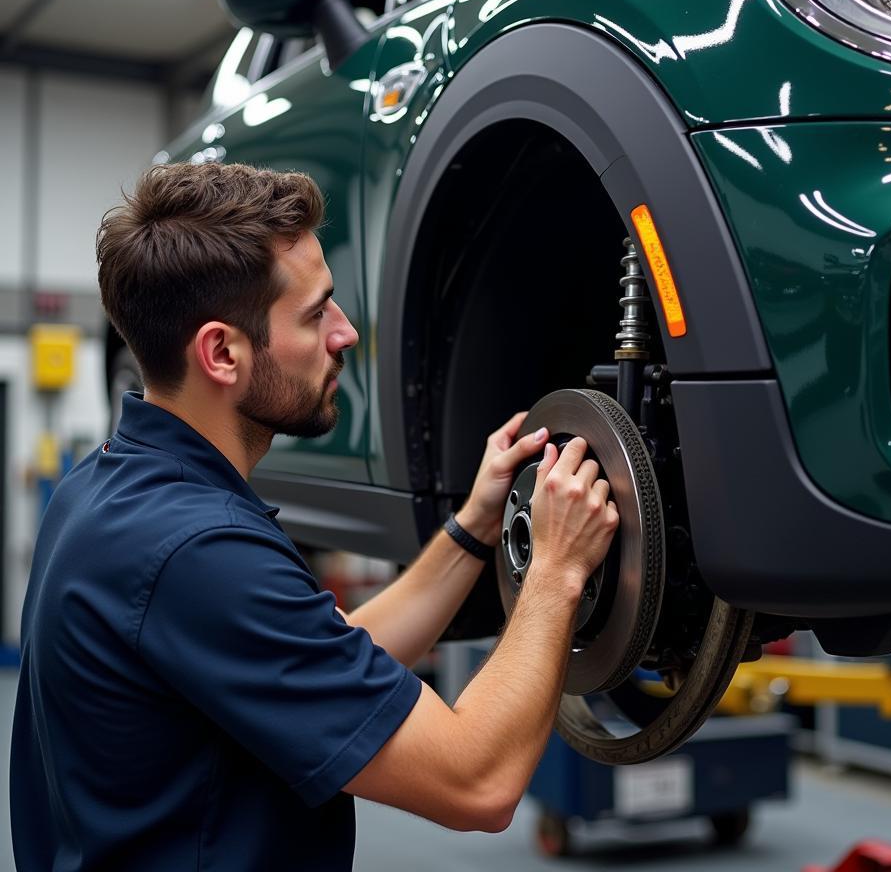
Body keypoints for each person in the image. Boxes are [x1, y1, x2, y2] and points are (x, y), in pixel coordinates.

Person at [11, 162, 619, 871]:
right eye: (315, 313)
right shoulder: (197, 552)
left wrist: (474, 528)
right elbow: (477, 782)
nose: (346, 333)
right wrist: (555, 569)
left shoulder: (105, 485)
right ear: (222, 352)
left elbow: (313, 656)